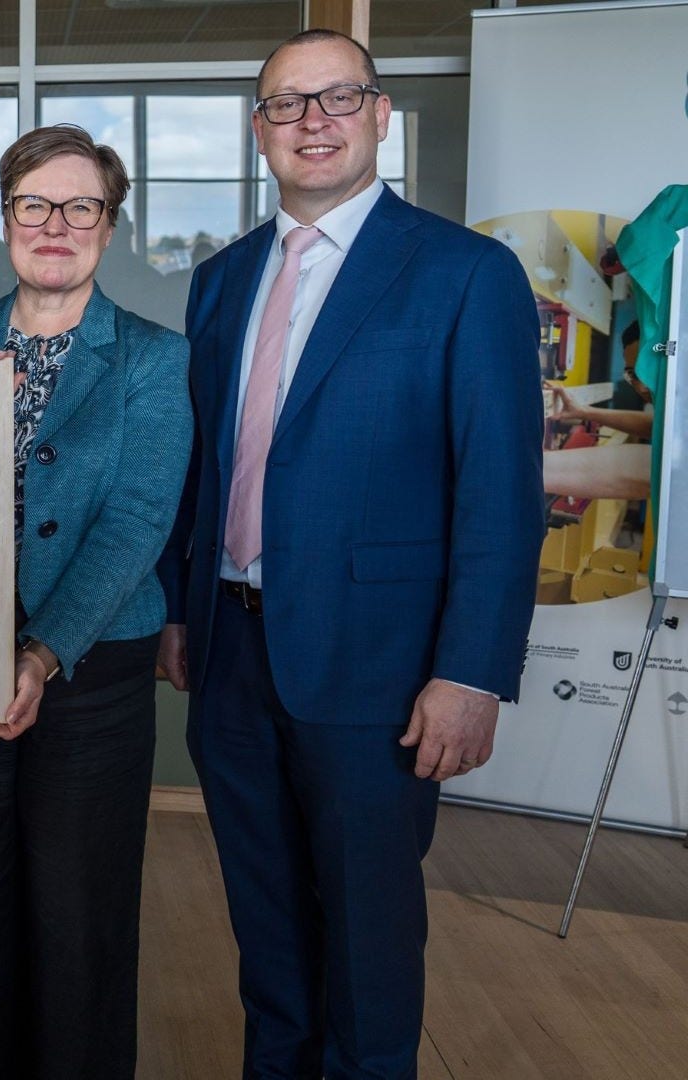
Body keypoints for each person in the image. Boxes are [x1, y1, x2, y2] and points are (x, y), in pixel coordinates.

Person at [156, 31, 542, 1079]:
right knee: (266, 929)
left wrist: (471, 671)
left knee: (367, 940)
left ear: (381, 116)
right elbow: (207, 465)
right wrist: (180, 608)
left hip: (382, 669)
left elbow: (502, 493)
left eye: (339, 97)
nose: (313, 120)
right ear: (260, 132)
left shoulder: (466, 274)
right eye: (288, 104)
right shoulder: (223, 279)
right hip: (231, 657)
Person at [0, 124, 192, 1079]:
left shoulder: (154, 356)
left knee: (79, 920)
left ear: (110, 228)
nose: (55, 224)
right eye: (35, 204)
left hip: (94, 673)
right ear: (6, 218)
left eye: (81, 207)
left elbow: (140, 519)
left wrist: (41, 653)